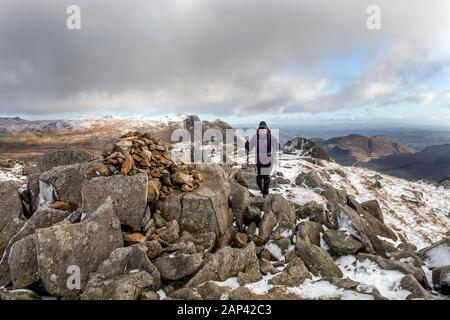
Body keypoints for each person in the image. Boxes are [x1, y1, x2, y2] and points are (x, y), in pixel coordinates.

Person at [248, 121, 278, 197]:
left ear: (266, 129)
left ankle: (265, 193)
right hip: (259, 161)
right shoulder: (255, 137)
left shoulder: (271, 137)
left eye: (264, 130)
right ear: (258, 130)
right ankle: (262, 190)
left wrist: (276, 145)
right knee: (259, 178)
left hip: (269, 160)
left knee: (266, 176)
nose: (262, 131)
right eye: (261, 130)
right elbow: (249, 148)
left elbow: (278, 145)